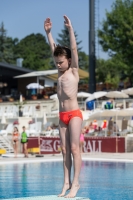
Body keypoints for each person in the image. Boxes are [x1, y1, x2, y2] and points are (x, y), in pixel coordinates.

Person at [44, 15, 83, 198]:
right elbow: (54, 49)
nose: (58, 65)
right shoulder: (59, 72)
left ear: (68, 60)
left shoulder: (73, 72)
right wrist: (48, 33)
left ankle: (76, 184)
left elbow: (73, 49)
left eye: (61, 62)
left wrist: (70, 29)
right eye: (56, 62)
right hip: (62, 116)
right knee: (64, 150)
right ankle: (66, 183)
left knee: (75, 148)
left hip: (74, 114)